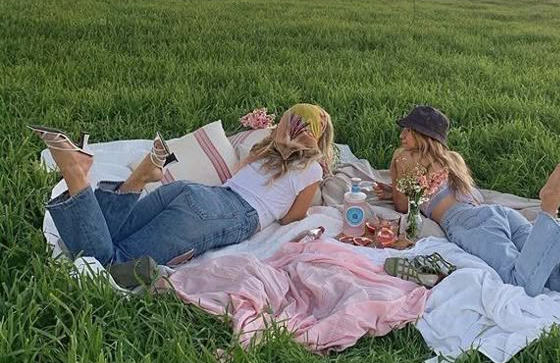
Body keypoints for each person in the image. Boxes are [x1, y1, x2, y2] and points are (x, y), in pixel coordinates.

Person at [380, 105, 560, 297]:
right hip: (499, 214)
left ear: (423, 135)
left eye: (408, 130)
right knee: (558, 278)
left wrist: (393, 188)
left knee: (519, 282)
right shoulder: (455, 159)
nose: (402, 135)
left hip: (466, 223)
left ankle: (549, 209)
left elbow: (404, 205)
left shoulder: (404, 157)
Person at [30, 104, 333, 270]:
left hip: (195, 192)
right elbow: (291, 217)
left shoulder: (261, 150)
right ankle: (76, 173)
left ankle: (140, 178)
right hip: (224, 214)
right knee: (114, 263)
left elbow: (236, 172)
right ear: (319, 137)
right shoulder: (312, 169)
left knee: (111, 234)